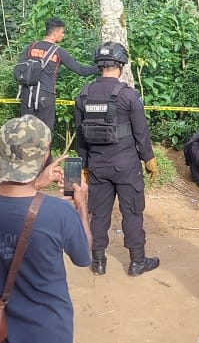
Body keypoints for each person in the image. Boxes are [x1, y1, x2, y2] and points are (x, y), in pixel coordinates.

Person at [0, 115, 92, 343]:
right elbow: (83, 256)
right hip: (46, 332)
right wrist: (81, 205)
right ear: (45, 155)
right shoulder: (59, 212)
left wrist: (36, 183)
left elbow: (4, 211)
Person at [74, 41, 161, 277]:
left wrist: (83, 166)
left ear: (99, 66)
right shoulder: (128, 96)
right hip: (126, 166)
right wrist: (149, 159)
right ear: (121, 65)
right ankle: (137, 263)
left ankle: (98, 262)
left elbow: (80, 137)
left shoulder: (83, 95)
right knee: (132, 212)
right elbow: (141, 133)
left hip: (97, 166)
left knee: (99, 214)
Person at [17, 17, 100, 131]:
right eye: (62, 32)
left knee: (25, 131)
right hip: (46, 94)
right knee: (45, 132)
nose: (63, 35)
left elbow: (20, 68)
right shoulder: (58, 51)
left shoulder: (31, 47)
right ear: (55, 33)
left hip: (27, 93)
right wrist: (101, 68)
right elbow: (81, 70)